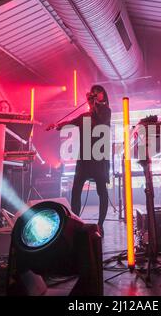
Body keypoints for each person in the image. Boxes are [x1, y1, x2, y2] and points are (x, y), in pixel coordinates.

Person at [46, 85, 111, 237]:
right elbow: (70, 122)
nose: (94, 94)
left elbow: (101, 121)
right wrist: (56, 125)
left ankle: (100, 224)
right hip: (84, 158)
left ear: (103, 95)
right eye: (92, 92)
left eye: (98, 91)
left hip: (99, 157)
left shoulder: (106, 112)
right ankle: (76, 221)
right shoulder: (84, 117)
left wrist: (93, 104)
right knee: (76, 191)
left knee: (102, 191)